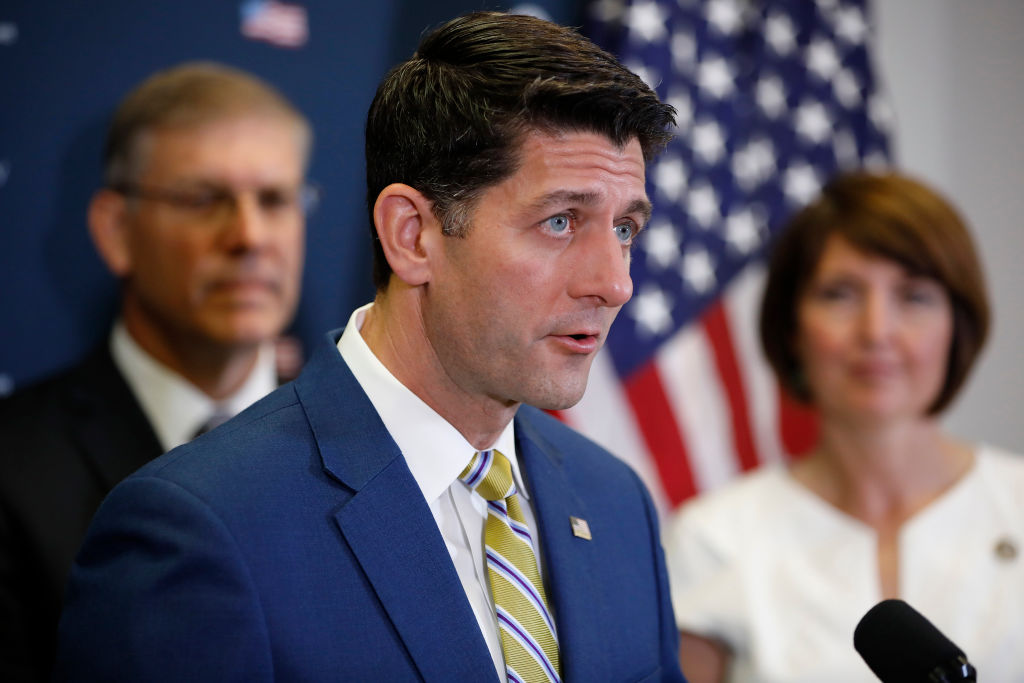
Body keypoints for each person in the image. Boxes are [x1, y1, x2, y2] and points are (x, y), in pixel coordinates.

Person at [54, 11, 685, 682]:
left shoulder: (616, 503)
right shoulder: (202, 529)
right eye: (560, 221)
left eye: (624, 228)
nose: (614, 283)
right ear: (412, 234)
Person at [0, 62, 311, 681]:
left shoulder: (363, 450)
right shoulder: (12, 467)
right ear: (116, 230)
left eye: (274, 200)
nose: (249, 236)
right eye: (204, 200)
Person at [664, 171, 1024, 682]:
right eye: (840, 294)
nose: (877, 331)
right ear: (792, 328)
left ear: (958, 325)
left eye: (914, 296)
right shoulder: (712, 540)